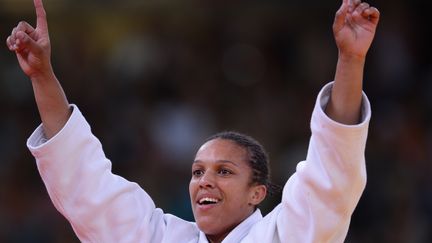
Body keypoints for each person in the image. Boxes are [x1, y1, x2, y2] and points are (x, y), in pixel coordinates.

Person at [6, 0, 380, 242]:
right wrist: (41, 76)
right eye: (198, 171)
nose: (205, 181)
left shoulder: (282, 234)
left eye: (224, 171)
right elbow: (86, 187)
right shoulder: (162, 237)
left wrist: (351, 59)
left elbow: (332, 178)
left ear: (258, 194)